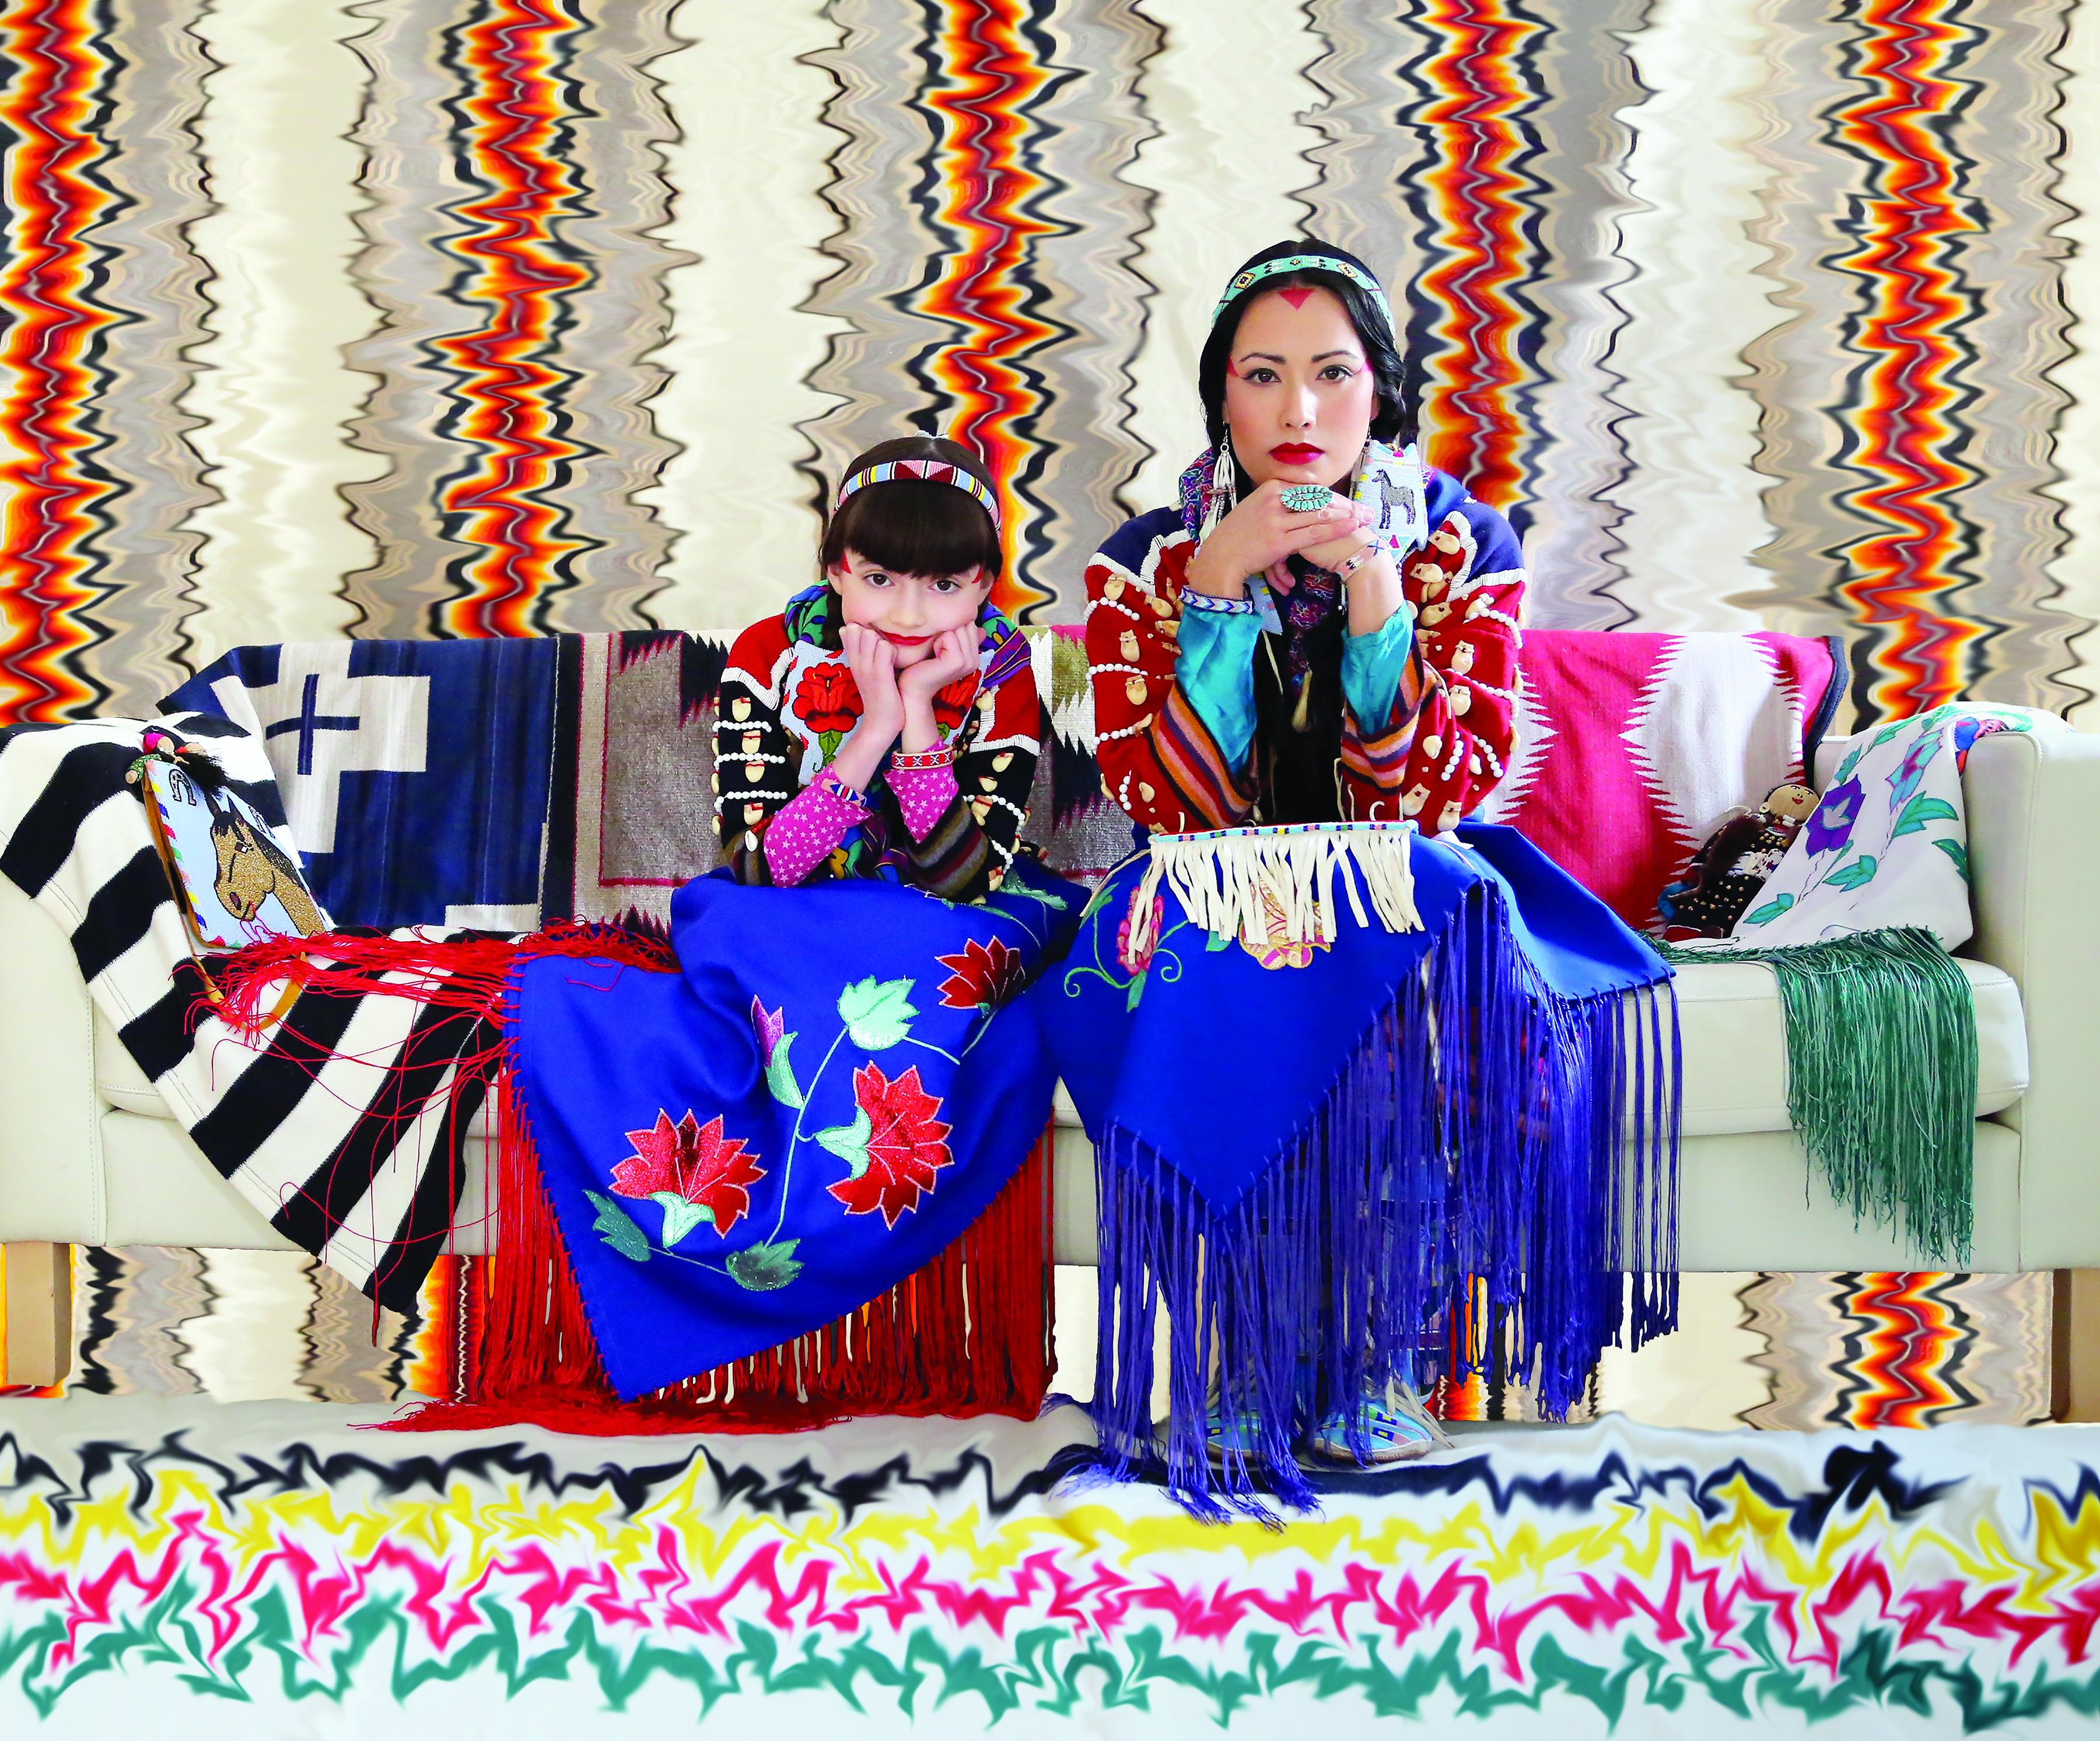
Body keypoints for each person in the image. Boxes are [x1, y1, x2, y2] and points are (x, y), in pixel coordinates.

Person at [1044, 242, 1676, 1515]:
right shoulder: (1146, 555)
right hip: (1208, 874)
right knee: (1186, 947)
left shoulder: (1461, 537)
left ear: (1380, 393)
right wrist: (1217, 590)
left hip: (1400, 868)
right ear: (1220, 395)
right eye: (1261, 376)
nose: (1297, 412)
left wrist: (1380, 603)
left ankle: (1382, 1354)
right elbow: (1168, 804)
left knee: (1412, 946)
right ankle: (1244, 1353)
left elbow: (1438, 794)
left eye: (1332, 375)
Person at [715, 435, 1040, 901]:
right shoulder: (770, 652)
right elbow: (761, 871)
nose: (908, 615)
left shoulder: (1000, 667)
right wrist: (877, 729)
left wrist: (918, 707)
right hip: (790, 917)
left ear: (984, 584)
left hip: (944, 928)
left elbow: (963, 884)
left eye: (945, 584)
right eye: (879, 579)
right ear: (835, 570)